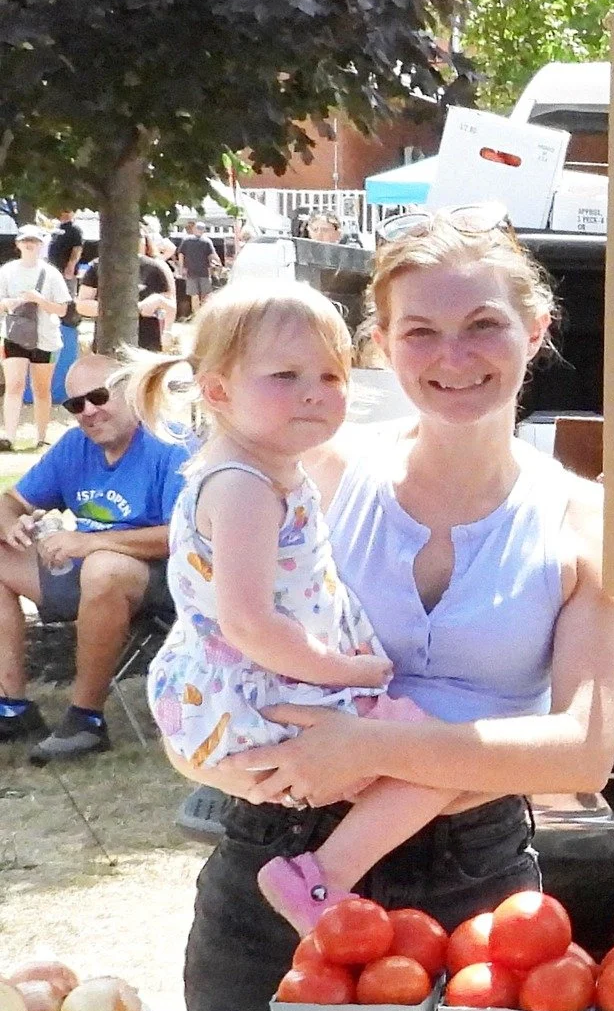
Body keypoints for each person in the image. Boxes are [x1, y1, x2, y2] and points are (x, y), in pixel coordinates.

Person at [167, 211, 614, 1011]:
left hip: (472, 876)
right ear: (380, 343)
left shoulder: (587, 520)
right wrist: (204, 753)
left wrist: (369, 748)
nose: (453, 356)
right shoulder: (309, 469)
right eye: (421, 330)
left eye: (483, 325)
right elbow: (211, 633)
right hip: (274, 847)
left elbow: (584, 751)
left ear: (535, 330)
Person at [135, 281, 477, 939]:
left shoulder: (264, 466)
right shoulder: (242, 488)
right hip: (263, 695)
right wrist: (347, 673)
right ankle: (318, 877)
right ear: (217, 392)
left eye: (331, 373)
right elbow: (250, 622)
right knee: (438, 757)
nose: (314, 391)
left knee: (426, 758)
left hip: (250, 686)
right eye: (285, 376)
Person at [0, 352, 189, 762]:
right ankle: (12, 707)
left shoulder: (172, 445)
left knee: (104, 568)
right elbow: (10, 500)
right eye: (75, 405)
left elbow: (184, 537)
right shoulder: (74, 447)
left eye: (99, 396)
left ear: (132, 392)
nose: (88, 411)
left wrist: (89, 544)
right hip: (83, 573)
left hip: (163, 582)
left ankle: (86, 719)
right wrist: (10, 524)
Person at [1, 227, 71, 452]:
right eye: (25, 241)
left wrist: (40, 300)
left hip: (45, 338)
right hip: (14, 335)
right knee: (14, 385)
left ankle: (41, 437)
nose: (29, 244)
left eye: (34, 241)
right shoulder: (7, 271)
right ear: (18, 244)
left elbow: (62, 309)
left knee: (41, 389)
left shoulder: (51, 274)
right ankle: (9, 437)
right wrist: (10, 303)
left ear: (41, 245)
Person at [77, 245, 177, 353]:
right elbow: (82, 305)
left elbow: (171, 306)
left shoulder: (153, 267)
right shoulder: (98, 266)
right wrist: (119, 309)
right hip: (109, 342)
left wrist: (158, 301)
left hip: (146, 345)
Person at [177, 220, 219, 316]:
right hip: (204, 272)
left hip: (191, 272)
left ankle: (197, 315)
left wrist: (181, 269)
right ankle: (204, 316)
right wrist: (219, 264)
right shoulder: (207, 241)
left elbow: (181, 255)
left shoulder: (186, 240)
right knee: (206, 295)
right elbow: (213, 256)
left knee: (194, 296)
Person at [46, 211, 84, 284]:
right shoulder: (56, 228)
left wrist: (71, 267)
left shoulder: (75, 230)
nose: (64, 214)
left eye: (67, 212)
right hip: (53, 270)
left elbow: (77, 249)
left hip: (65, 272)